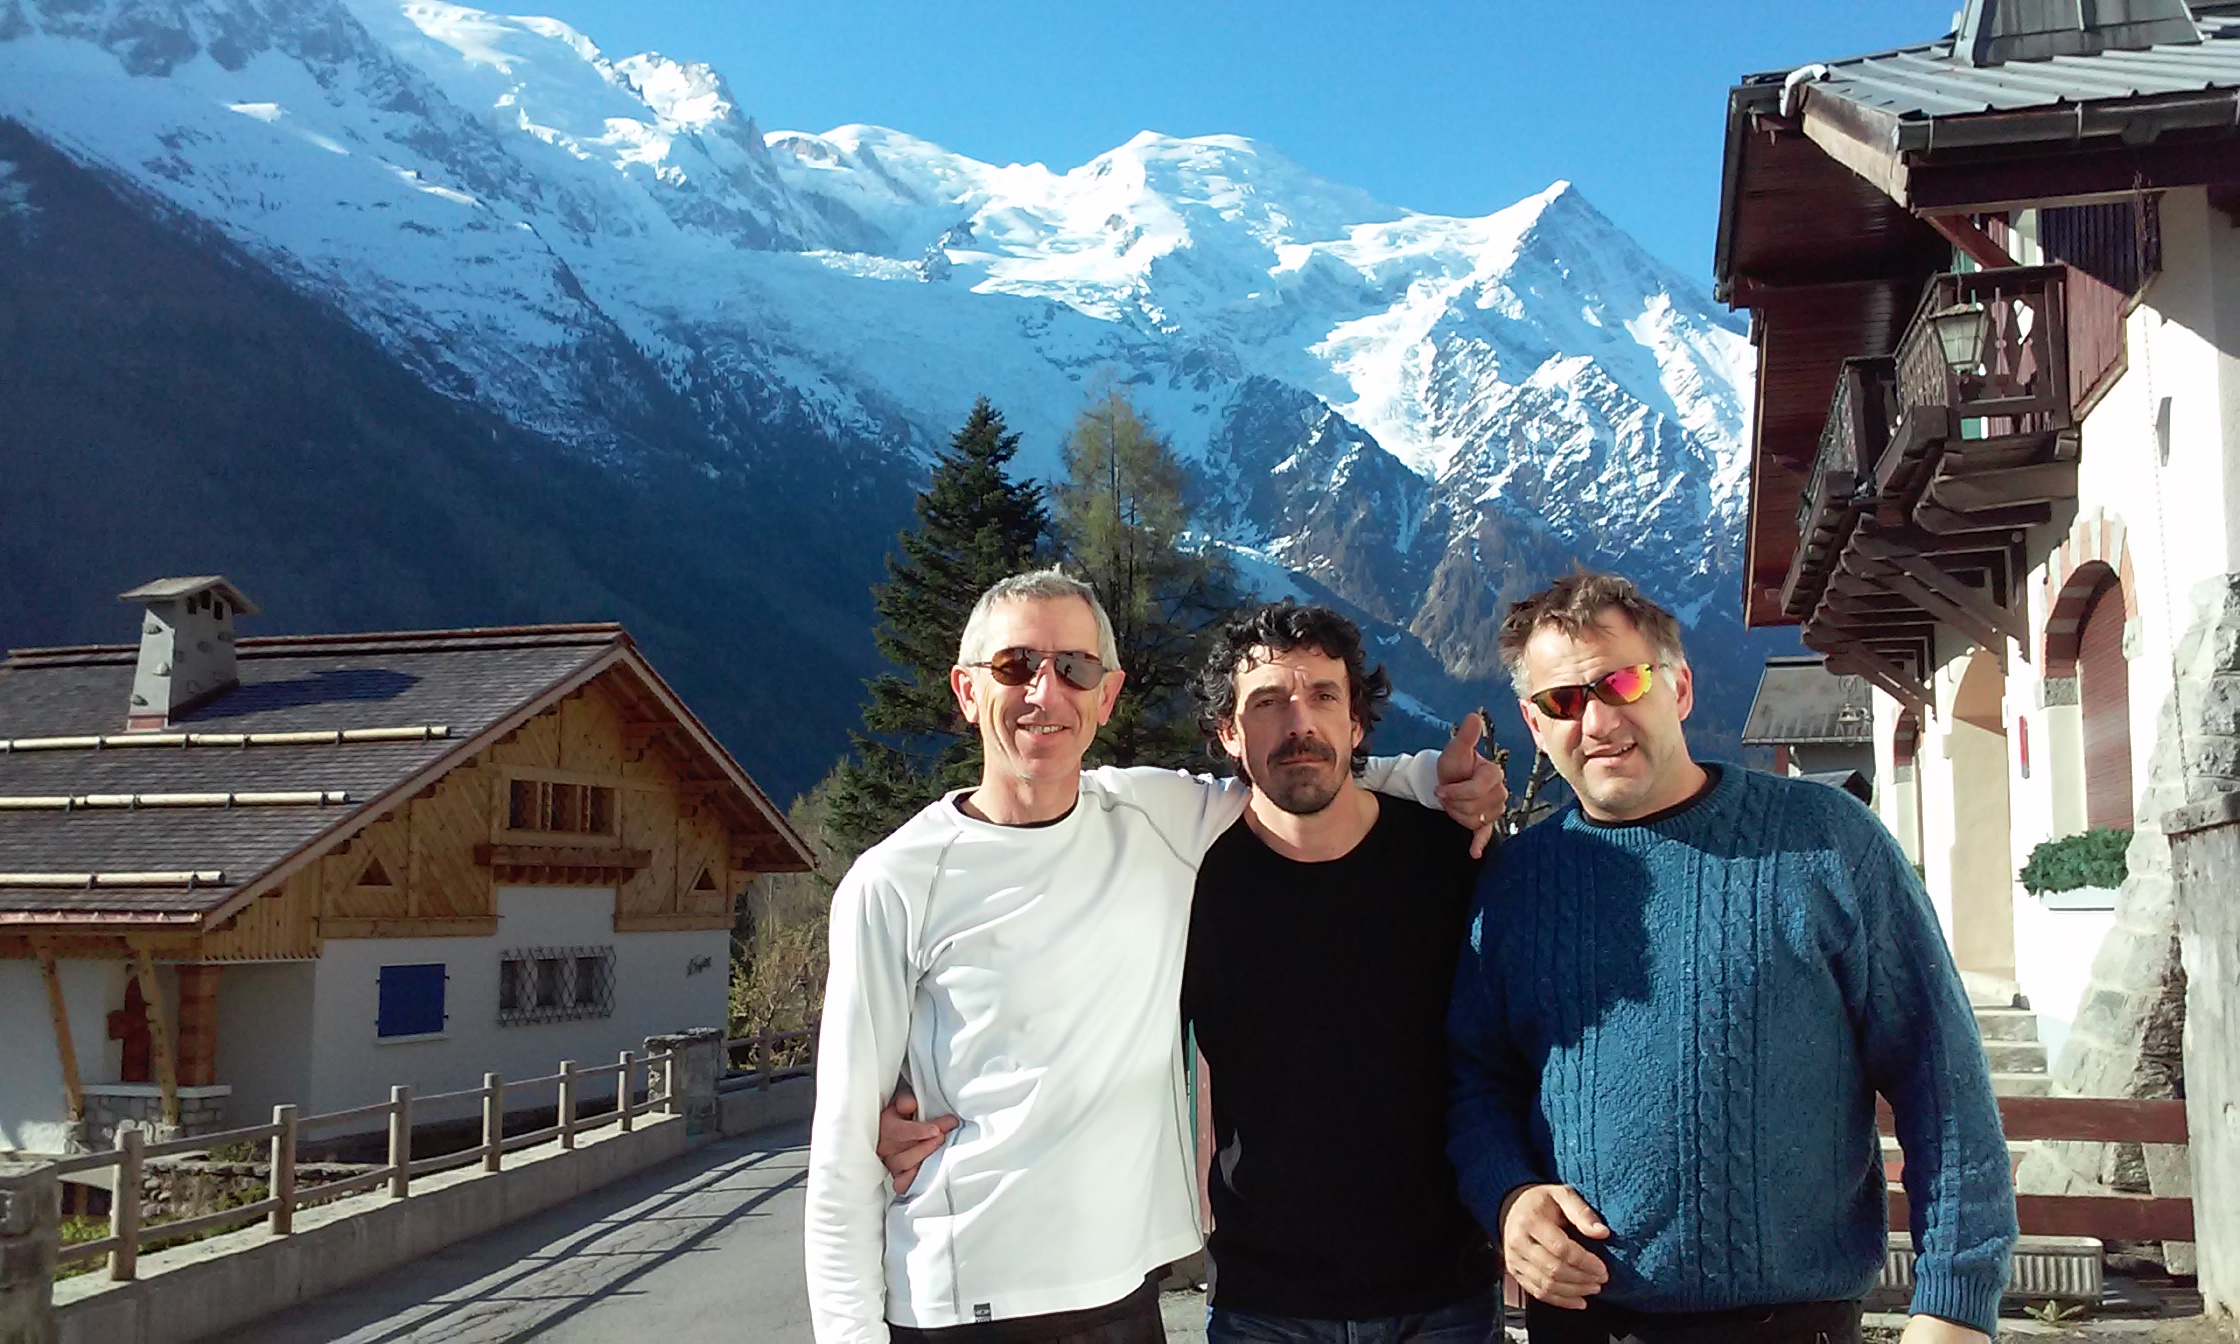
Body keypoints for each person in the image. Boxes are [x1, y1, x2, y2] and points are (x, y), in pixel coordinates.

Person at [805, 569, 1505, 1344]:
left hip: (1123, 1297)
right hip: (958, 1303)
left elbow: (1300, 775)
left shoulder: (1155, 819)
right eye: (1014, 667)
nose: (1046, 691)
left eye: (1074, 667)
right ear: (967, 691)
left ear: (1106, 696)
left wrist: (1431, 781)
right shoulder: (895, 881)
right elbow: (841, 1150)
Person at [1447, 571, 2017, 1344]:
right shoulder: (1515, 882)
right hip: (1581, 1325)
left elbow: (1939, 1076)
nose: (1599, 718)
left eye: (1622, 681)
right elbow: (1473, 1081)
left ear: (1678, 687)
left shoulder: (1826, 844)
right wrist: (1509, 1197)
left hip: (1791, 1323)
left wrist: (1954, 1302)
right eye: (1565, 700)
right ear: (1534, 722)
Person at [1181, 601, 1497, 1343]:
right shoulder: (1191, 884)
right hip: (1265, 1300)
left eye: (1324, 696)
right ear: (1228, 733)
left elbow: (1519, 1045)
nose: (1301, 724)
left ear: (1357, 725)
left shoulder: (1452, 862)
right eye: (1267, 703)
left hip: (1444, 1291)